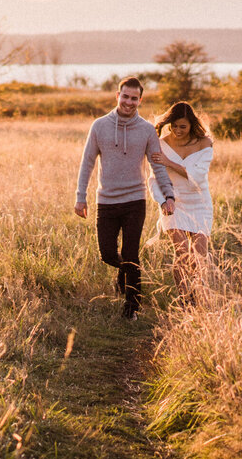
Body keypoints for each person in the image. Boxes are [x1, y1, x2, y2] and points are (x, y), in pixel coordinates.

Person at [74, 76, 175, 319]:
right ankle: (127, 271)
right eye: (125, 97)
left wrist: (168, 194)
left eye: (134, 98)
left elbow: (157, 166)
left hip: (134, 201)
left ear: (140, 100)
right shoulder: (99, 126)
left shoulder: (147, 130)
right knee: (108, 255)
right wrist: (80, 197)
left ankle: (132, 308)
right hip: (106, 201)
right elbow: (87, 163)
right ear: (117, 96)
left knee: (131, 253)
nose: (129, 102)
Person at [148, 101, 214, 303]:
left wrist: (169, 163)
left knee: (198, 256)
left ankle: (195, 294)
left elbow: (198, 176)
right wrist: (162, 201)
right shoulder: (161, 143)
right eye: (174, 126)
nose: (177, 130)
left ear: (191, 124)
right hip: (173, 203)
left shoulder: (205, 143)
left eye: (182, 127)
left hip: (199, 203)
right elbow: (153, 179)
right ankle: (185, 299)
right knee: (182, 251)